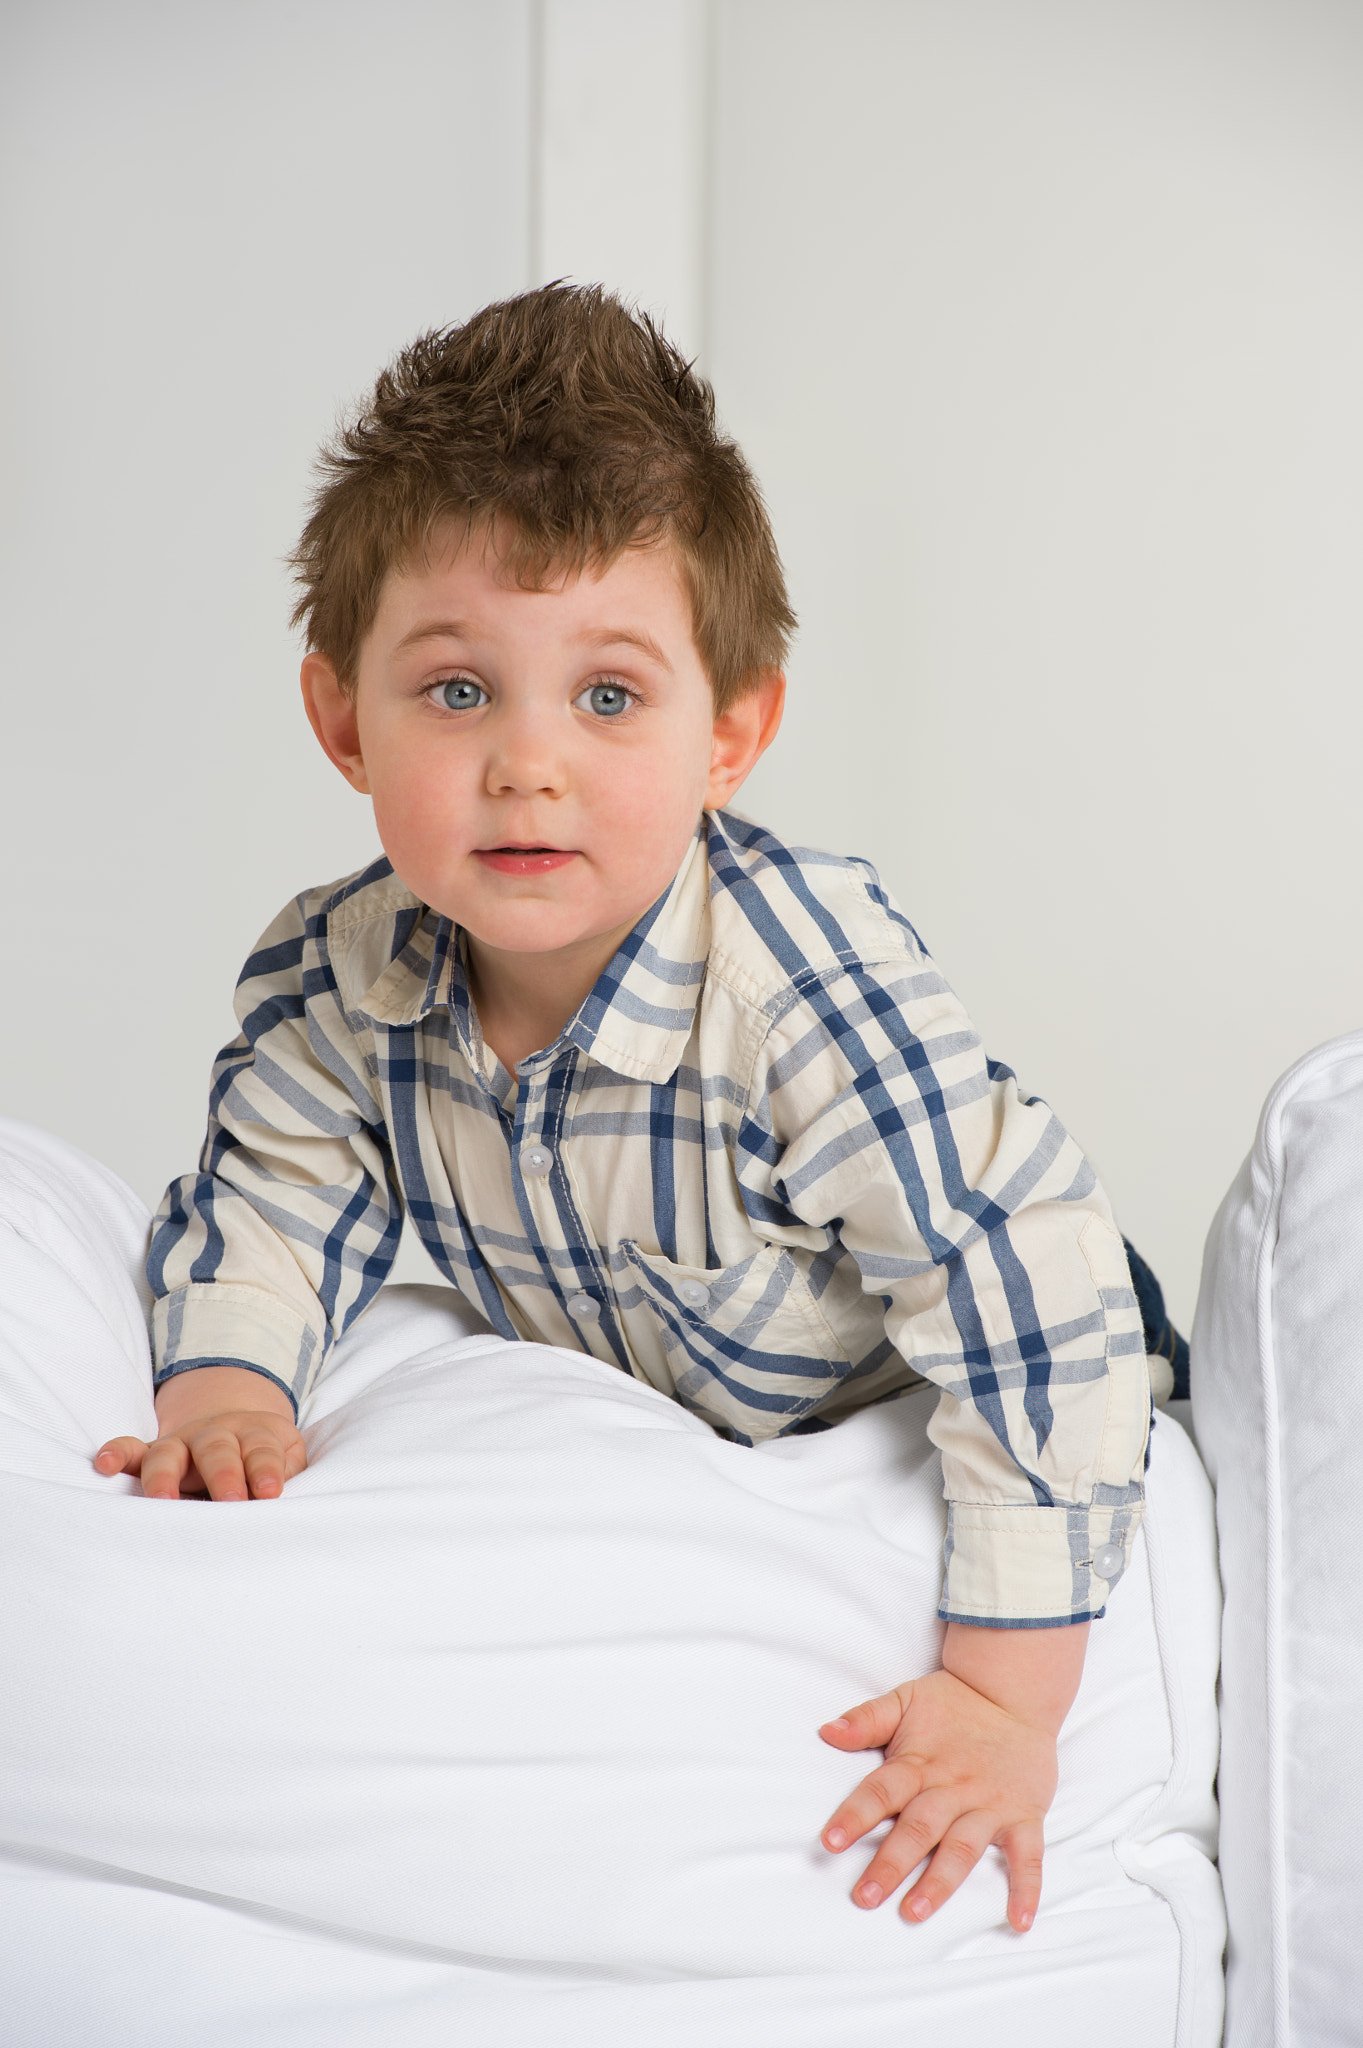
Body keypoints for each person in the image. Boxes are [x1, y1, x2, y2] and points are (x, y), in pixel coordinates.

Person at [94, 284, 1179, 1938]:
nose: (528, 762)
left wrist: (1006, 1701)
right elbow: (271, 1187)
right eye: (457, 692)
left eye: (608, 697)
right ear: (341, 722)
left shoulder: (797, 992)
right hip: (682, 1393)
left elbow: (1029, 1299)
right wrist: (233, 1379)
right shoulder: (341, 970)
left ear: (729, 734)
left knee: (1081, 1357)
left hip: (993, 1357)